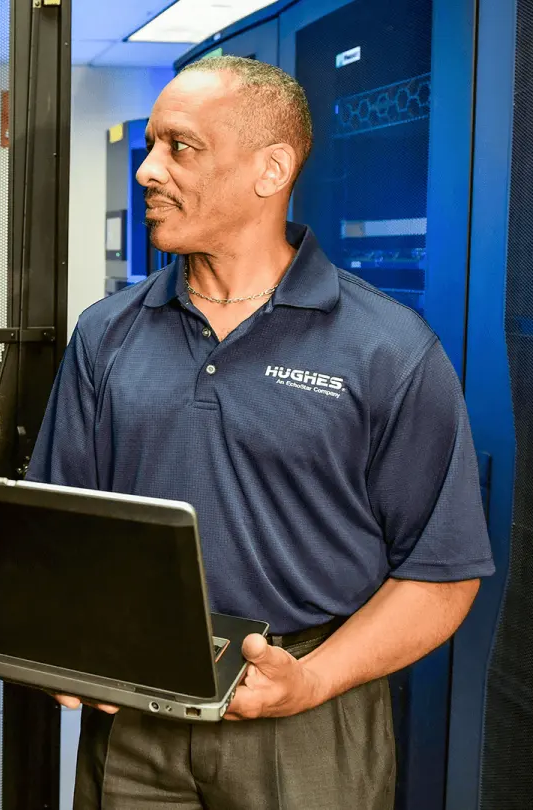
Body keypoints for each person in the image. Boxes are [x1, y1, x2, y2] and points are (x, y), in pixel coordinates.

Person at [28, 56, 495, 809]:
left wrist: (309, 680)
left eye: (179, 147)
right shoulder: (106, 333)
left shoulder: (388, 349)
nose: (148, 171)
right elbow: (55, 526)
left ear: (270, 168)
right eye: (151, 146)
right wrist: (63, 638)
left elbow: (442, 575)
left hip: (307, 706)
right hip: (139, 708)